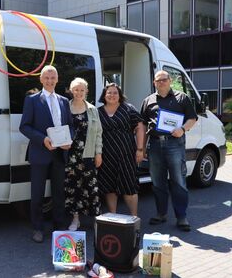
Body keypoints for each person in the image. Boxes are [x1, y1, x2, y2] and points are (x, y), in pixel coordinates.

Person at [19, 65, 73, 243]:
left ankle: (59, 227)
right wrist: (43, 139)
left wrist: (69, 141)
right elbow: (24, 126)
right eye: (47, 78)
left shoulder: (64, 101)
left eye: (53, 77)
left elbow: (70, 126)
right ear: (41, 80)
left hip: (60, 154)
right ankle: (38, 228)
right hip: (40, 152)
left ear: (57, 79)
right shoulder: (33, 100)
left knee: (59, 192)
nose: (50, 81)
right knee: (37, 194)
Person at [140, 70, 198, 232]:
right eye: (158, 81)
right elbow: (143, 125)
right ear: (154, 82)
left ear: (170, 81)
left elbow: (192, 118)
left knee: (178, 181)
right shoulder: (148, 100)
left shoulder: (182, 98)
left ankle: (181, 217)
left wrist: (183, 129)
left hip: (175, 144)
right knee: (158, 182)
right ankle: (161, 213)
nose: (161, 83)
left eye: (164, 80)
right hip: (155, 145)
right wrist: (142, 147)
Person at [97, 83, 145, 216]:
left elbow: (140, 127)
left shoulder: (128, 108)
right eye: (109, 93)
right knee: (110, 187)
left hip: (127, 154)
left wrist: (140, 149)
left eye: (115, 93)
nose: (112, 95)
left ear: (119, 95)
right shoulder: (98, 112)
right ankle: (113, 216)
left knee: (129, 186)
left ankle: (134, 218)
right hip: (106, 155)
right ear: (104, 95)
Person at [64, 78, 103, 231]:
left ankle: (96, 219)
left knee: (91, 187)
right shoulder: (65, 108)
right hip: (70, 155)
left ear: (86, 91)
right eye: (76, 89)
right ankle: (75, 220)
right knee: (73, 187)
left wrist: (98, 153)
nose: (79, 92)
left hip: (88, 153)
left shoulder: (93, 109)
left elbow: (99, 133)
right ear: (71, 91)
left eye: (82, 90)